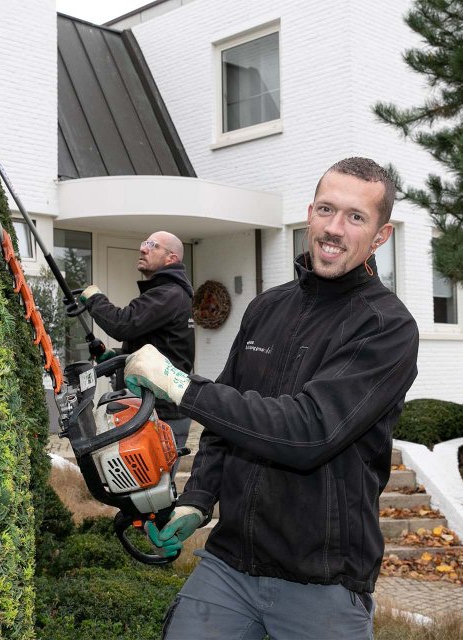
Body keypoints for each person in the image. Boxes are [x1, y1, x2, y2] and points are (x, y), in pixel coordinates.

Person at [123, 158, 419, 639]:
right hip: (229, 565)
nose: (334, 228)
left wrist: (179, 384)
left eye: (355, 217)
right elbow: (227, 419)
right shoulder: (267, 307)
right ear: (309, 213)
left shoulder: (386, 326)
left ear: (380, 236)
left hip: (321, 584)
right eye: (326, 209)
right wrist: (197, 500)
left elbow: (307, 431)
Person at [79, 231, 195, 450]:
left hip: (160, 413)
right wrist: (117, 357)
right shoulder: (168, 293)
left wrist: (95, 298)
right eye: (144, 243)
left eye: (153, 245)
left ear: (171, 258)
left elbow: (123, 324)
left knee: (151, 482)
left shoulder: (168, 294)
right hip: (151, 410)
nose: (143, 249)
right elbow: (155, 348)